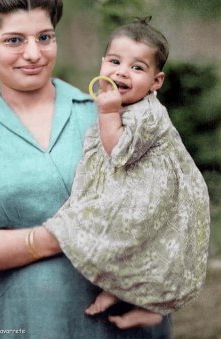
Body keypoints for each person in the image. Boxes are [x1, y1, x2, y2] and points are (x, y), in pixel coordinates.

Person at [0, 0, 173, 339]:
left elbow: (166, 207)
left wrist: (163, 288)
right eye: (15, 40)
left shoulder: (112, 115)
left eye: (45, 37)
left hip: (127, 322)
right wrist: (57, 237)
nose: (34, 54)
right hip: (34, 324)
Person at [44, 18, 210, 316]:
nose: (122, 72)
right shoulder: (127, 105)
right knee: (119, 234)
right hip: (136, 182)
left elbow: (119, 151)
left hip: (152, 195)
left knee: (122, 231)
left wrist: (108, 112)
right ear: (102, 63)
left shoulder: (147, 114)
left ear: (155, 82)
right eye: (115, 61)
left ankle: (130, 294)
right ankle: (119, 288)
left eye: (137, 67)